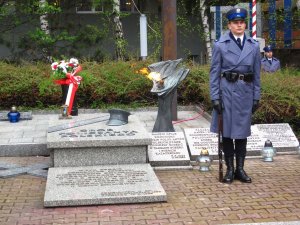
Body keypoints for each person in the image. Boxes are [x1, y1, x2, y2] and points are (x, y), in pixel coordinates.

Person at [209, 7, 261, 184]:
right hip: (227, 93)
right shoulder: (220, 45)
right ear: (229, 25)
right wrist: (215, 97)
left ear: (245, 24)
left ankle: (240, 169)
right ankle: (230, 169)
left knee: (242, 133)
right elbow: (214, 73)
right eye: (235, 23)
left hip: (245, 92)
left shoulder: (253, 46)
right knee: (227, 133)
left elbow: (257, 74)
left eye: (241, 22)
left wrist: (256, 96)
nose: (239, 25)